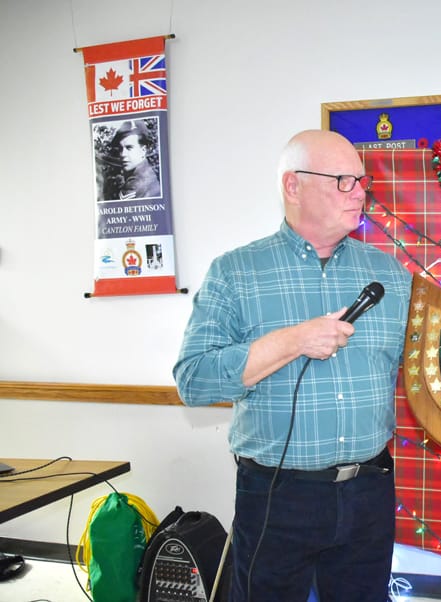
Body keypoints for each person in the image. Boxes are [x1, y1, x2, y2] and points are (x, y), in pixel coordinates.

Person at [173, 130, 411, 601]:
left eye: (362, 181)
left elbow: (428, 373)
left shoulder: (392, 275)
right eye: (344, 180)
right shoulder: (235, 272)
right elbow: (193, 380)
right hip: (275, 496)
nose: (360, 192)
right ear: (293, 185)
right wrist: (291, 341)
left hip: (369, 492)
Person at [112, 119, 162, 199]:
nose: (123, 154)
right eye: (120, 149)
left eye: (129, 148)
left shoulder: (135, 184)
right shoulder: (146, 173)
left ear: (143, 150)